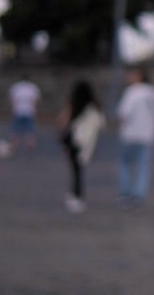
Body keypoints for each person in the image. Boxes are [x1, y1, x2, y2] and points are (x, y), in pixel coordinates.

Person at [57, 80, 105, 213]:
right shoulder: (94, 107)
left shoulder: (74, 104)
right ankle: (76, 195)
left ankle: (75, 195)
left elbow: (63, 120)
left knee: (75, 169)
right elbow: (100, 123)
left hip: (72, 140)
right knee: (78, 169)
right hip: (85, 142)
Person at [117, 66, 154, 207]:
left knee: (125, 164)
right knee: (143, 166)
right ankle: (139, 194)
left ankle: (125, 193)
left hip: (130, 134)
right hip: (147, 135)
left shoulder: (132, 92)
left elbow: (123, 113)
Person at [8, 73, 41, 152]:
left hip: (18, 111)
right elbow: (37, 100)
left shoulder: (16, 87)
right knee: (30, 130)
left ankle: (14, 147)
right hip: (29, 111)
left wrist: (13, 108)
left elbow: (11, 99)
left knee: (16, 130)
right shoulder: (33, 87)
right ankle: (30, 146)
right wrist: (36, 109)